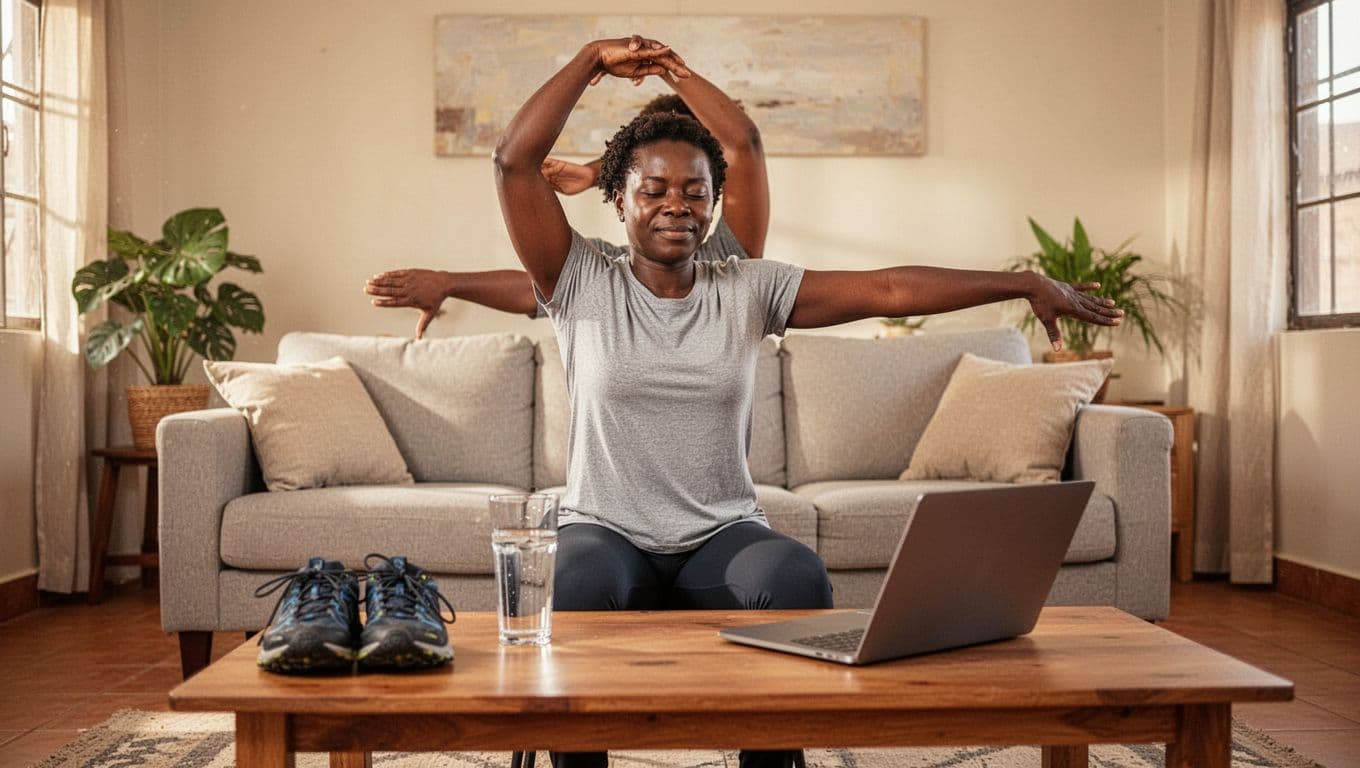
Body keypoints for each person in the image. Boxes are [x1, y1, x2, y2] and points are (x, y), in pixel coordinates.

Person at [384, 37, 1123, 768]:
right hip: (604, 528)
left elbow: (890, 289)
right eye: (654, 189)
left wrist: (1021, 282)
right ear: (617, 198)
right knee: (575, 582)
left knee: (795, 576)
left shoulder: (748, 286)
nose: (677, 204)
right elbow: (513, 161)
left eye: (695, 191)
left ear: (713, 202)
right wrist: (590, 61)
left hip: (720, 532)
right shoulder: (580, 280)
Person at [367, 76, 768, 335]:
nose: (676, 205)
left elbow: (742, 147)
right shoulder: (607, 275)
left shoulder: (733, 265)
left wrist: (667, 65)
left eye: (692, 183)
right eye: (656, 185)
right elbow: (535, 288)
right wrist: (447, 283)